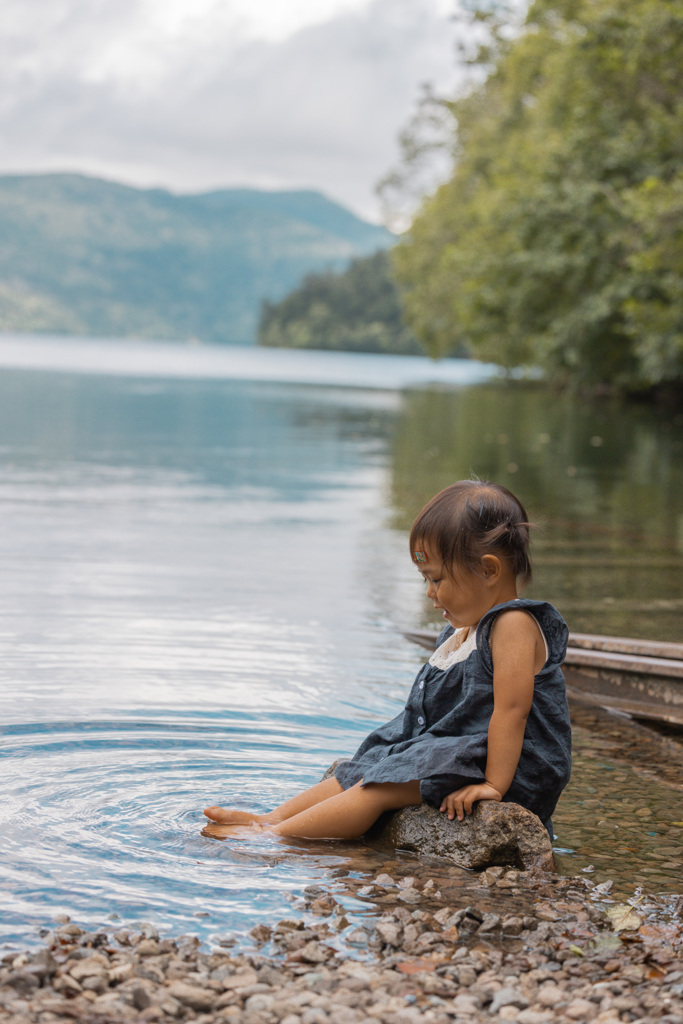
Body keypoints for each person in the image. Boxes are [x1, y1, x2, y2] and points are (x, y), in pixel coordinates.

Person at [204, 479, 571, 841]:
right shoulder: (463, 633)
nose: (429, 593)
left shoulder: (513, 624)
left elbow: (512, 710)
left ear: (489, 571)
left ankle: (277, 837)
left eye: (437, 579)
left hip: (512, 768)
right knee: (366, 767)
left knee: (380, 786)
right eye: (424, 579)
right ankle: (270, 819)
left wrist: (493, 784)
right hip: (463, 752)